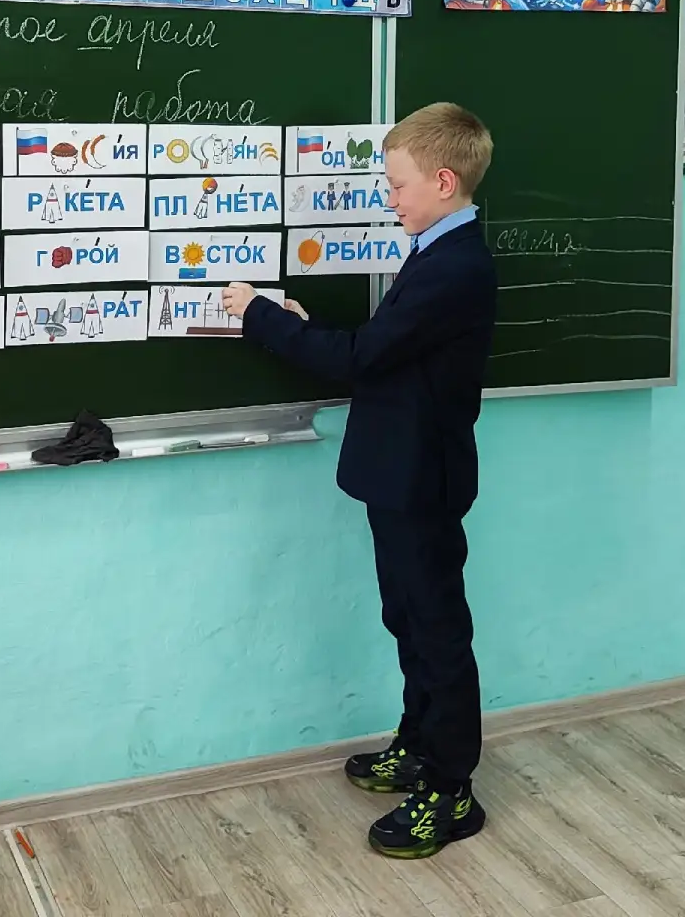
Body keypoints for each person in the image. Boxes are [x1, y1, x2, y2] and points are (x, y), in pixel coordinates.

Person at [220, 102, 498, 859]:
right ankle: (419, 742)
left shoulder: (456, 266)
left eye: (398, 185)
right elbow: (388, 352)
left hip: (423, 480)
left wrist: (262, 317)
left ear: (444, 182)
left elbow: (362, 359)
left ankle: (451, 787)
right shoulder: (436, 250)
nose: (390, 197)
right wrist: (304, 324)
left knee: (438, 630)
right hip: (398, 473)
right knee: (406, 617)